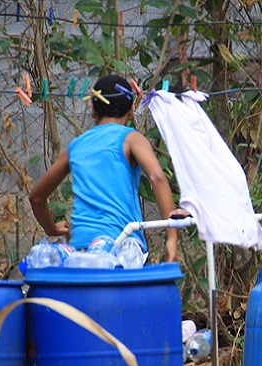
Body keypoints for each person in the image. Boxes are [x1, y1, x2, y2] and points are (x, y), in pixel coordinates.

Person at [29, 74, 189, 262]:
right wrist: (172, 238)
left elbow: (36, 197)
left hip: (80, 250)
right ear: (130, 111)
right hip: (123, 244)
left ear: (93, 110)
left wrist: (52, 229)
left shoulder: (75, 146)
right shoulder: (131, 138)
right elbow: (158, 178)